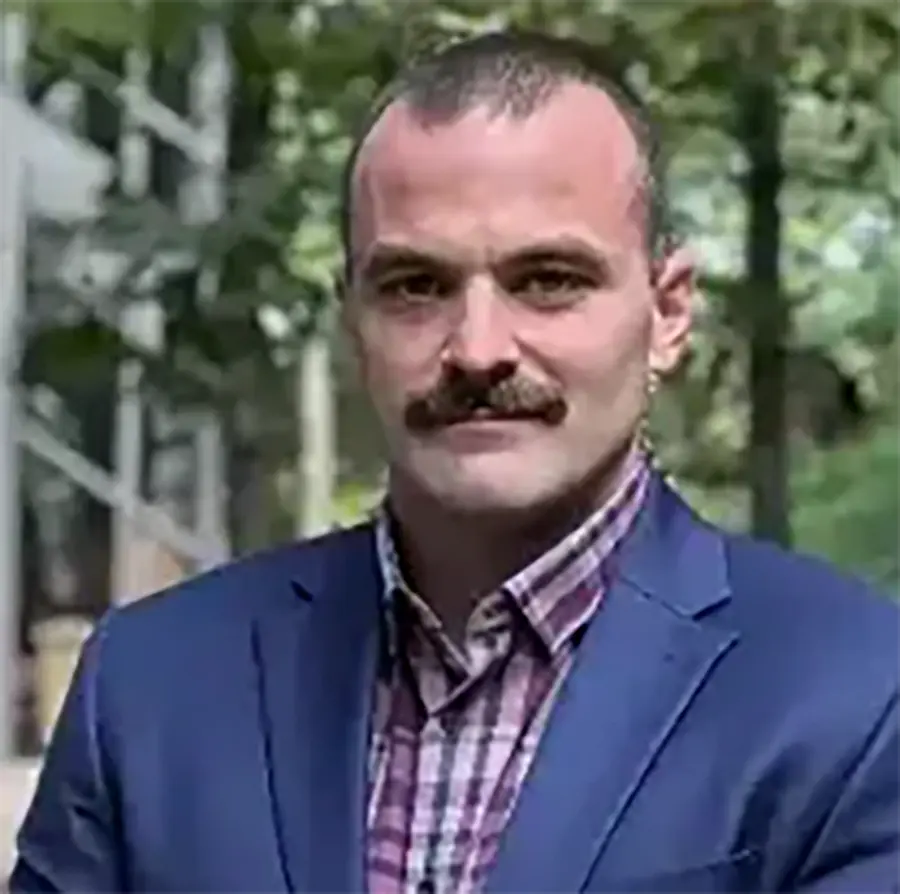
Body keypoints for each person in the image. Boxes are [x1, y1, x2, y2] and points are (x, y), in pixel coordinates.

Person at [11, 30, 900, 894]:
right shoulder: (148, 686)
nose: (478, 350)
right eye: (414, 287)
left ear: (667, 314)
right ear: (351, 315)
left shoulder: (857, 693)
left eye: (548, 280)